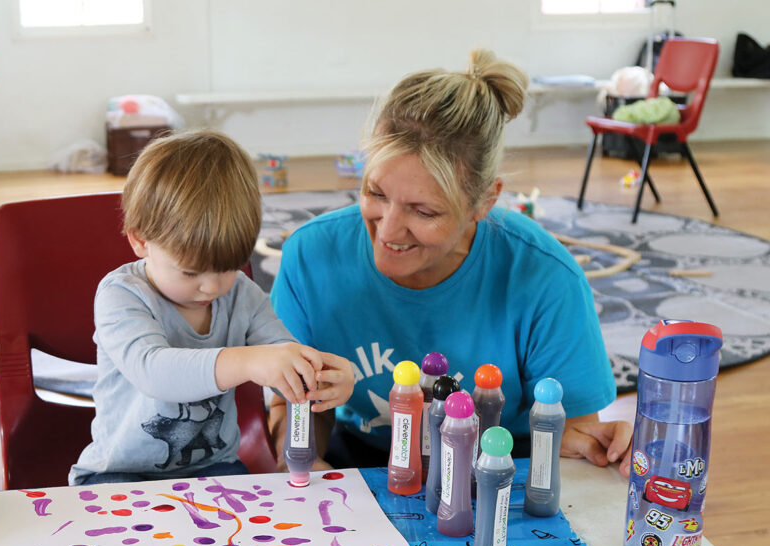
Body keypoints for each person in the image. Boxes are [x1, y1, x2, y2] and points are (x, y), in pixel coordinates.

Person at [269, 49, 633, 477]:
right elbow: (294, 405)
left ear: (485, 201)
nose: (387, 232)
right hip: (361, 463)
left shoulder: (546, 279)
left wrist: (594, 445)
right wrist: (302, 459)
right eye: (376, 194)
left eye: (424, 212)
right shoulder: (311, 257)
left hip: (496, 469)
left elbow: (571, 429)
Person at [69, 130, 355, 486]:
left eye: (228, 267)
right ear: (140, 240)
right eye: (191, 271)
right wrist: (250, 361)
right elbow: (152, 371)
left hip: (214, 469)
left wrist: (324, 376)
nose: (212, 286)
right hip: (118, 474)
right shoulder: (123, 295)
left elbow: (285, 361)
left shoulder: (242, 295)